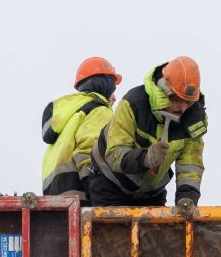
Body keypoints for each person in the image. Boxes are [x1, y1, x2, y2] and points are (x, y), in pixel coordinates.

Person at [88, 57, 208, 208]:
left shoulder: (193, 121)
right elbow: (114, 154)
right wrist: (146, 158)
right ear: (165, 91)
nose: (183, 108)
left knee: (156, 224)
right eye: (178, 100)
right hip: (110, 183)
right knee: (114, 224)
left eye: (188, 103)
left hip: (150, 192)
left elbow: (190, 165)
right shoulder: (133, 103)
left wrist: (187, 198)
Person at [40, 57, 122, 202]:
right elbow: (89, 150)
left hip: (56, 195)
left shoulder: (69, 116)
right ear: (105, 85)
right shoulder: (99, 110)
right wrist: (99, 191)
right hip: (81, 193)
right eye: (113, 90)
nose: (114, 98)